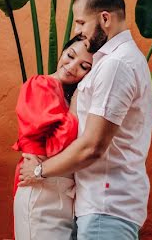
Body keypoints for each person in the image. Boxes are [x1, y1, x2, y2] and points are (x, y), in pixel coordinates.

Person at [19, 0, 152, 240]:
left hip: (106, 205)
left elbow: (93, 146)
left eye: (81, 23)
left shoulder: (116, 65)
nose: (77, 31)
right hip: (101, 205)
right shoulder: (117, 60)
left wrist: (39, 171)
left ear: (104, 18)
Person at [12, 35, 93, 240]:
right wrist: (74, 108)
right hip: (41, 191)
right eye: (70, 55)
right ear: (63, 51)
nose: (72, 66)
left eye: (84, 66)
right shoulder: (41, 85)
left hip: (63, 193)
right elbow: (55, 145)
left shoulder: (69, 95)